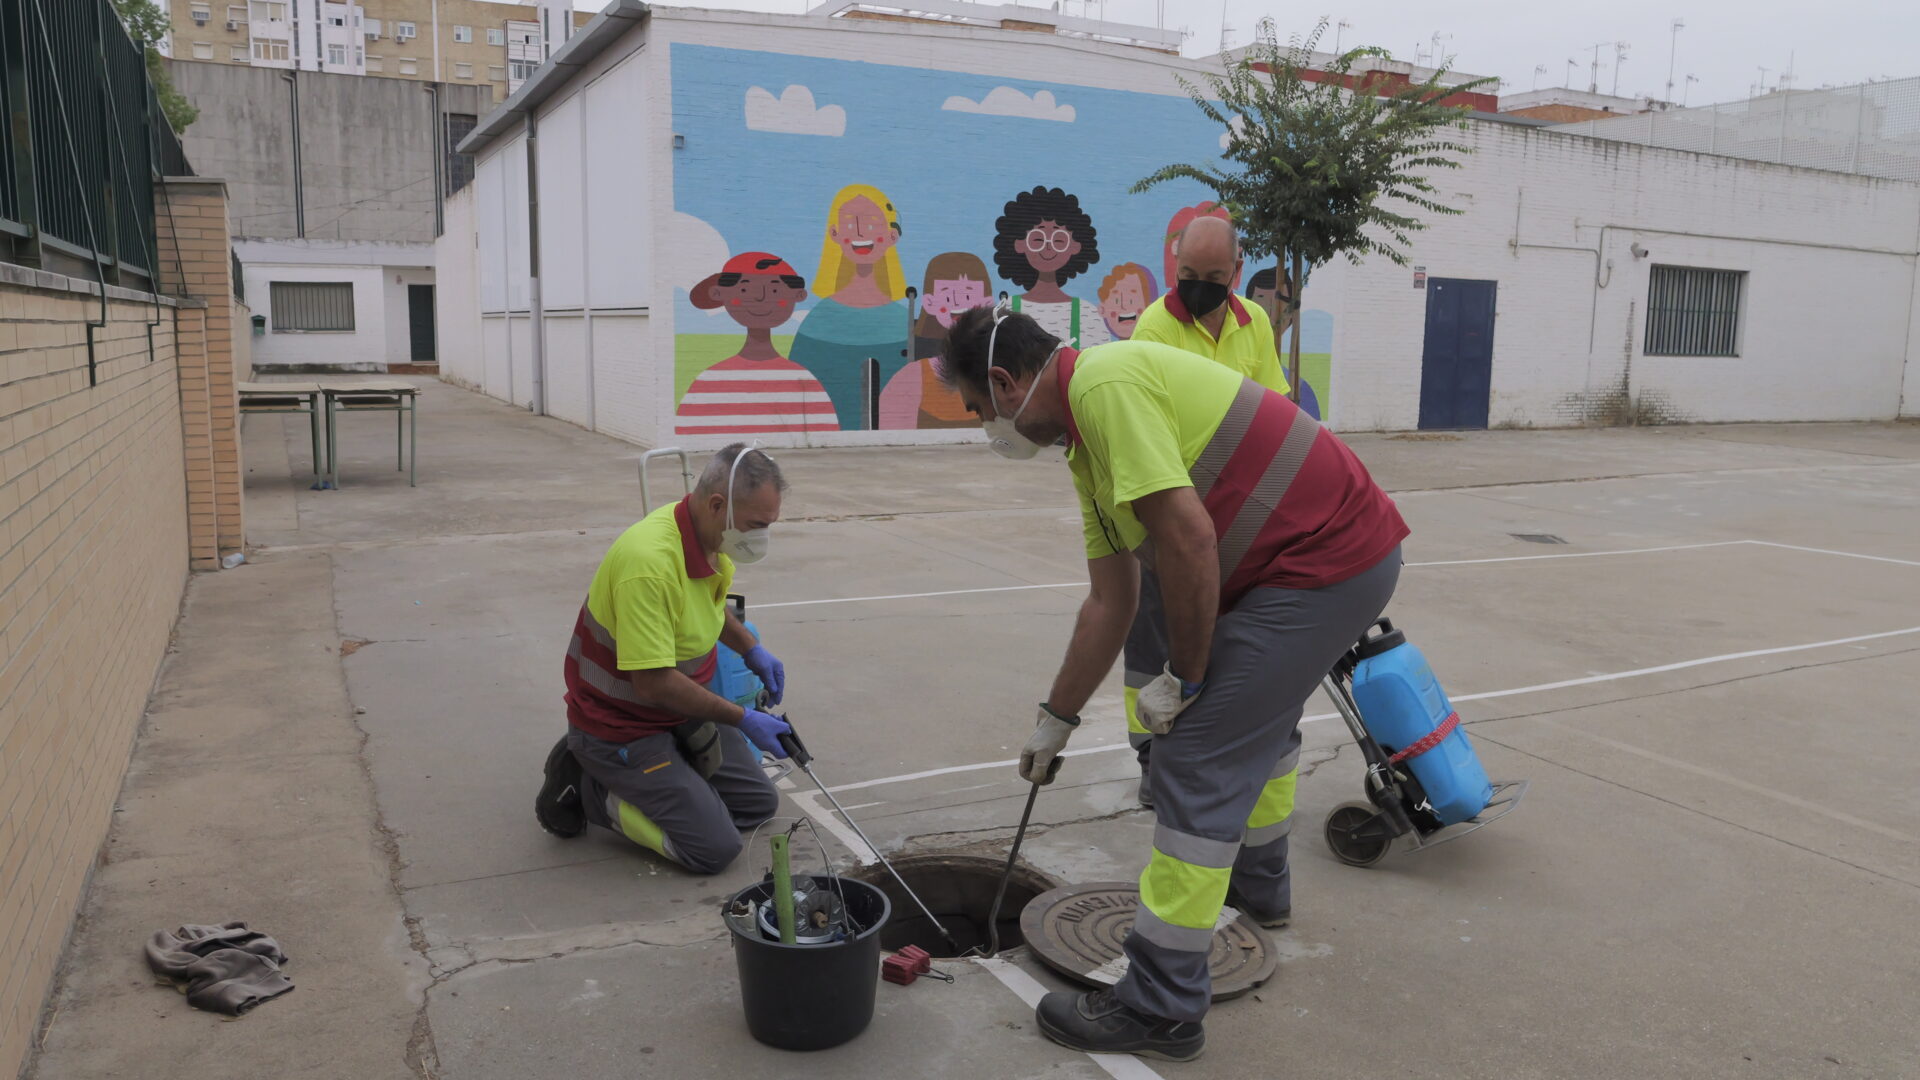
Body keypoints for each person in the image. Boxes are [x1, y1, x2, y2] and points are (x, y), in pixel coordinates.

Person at [939, 306, 1407, 1061]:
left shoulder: (1105, 387)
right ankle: (1256, 890)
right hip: (1318, 564)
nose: (984, 427)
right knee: (1253, 723)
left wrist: (1185, 678)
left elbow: (1188, 540)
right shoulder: (1085, 444)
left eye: (977, 410)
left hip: (1324, 563)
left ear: (1005, 380)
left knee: (1196, 758)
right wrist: (1055, 717)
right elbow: (1111, 601)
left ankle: (1160, 1008)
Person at [534, 445, 794, 875]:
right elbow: (653, 684)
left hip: (680, 712)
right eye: (756, 525)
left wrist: (750, 646)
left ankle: (668, 777)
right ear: (717, 505)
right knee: (713, 848)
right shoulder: (649, 564)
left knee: (758, 806)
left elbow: (709, 605)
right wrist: (741, 718)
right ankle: (591, 788)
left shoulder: (708, 537)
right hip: (621, 726)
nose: (761, 537)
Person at [1124, 216, 1291, 810]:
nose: (1198, 287)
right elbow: (1150, 426)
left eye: (1213, 277)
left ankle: (1213, 753)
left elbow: (1274, 407)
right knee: (1156, 638)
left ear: (1236, 272)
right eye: (1188, 275)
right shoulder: (1154, 325)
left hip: (1239, 510)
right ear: (1175, 266)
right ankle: (1151, 757)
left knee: (1222, 640)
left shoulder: (1256, 324)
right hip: (1172, 505)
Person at [790, 184, 911, 430]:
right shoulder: (819, 320)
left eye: (870, 223)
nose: (858, 230)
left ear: (891, 236)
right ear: (834, 233)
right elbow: (800, 387)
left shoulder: (903, 321)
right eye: (849, 223)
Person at [676, 253, 838, 436]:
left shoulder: (801, 380)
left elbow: (825, 429)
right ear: (719, 294)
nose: (760, 298)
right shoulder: (710, 381)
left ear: (798, 295)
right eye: (745, 290)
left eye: (775, 291)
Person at [878, 251, 992, 429]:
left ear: (987, 302)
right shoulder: (913, 377)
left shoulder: (999, 373)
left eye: (968, 295)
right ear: (930, 302)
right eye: (947, 296)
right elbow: (890, 428)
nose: (958, 303)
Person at [992, 186, 1109, 349]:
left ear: (1075, 246)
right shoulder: (1007, 309)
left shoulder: (1086, 314)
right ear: (1019, 244)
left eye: (1059, 240)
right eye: (1037, 240)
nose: (1048, 247)